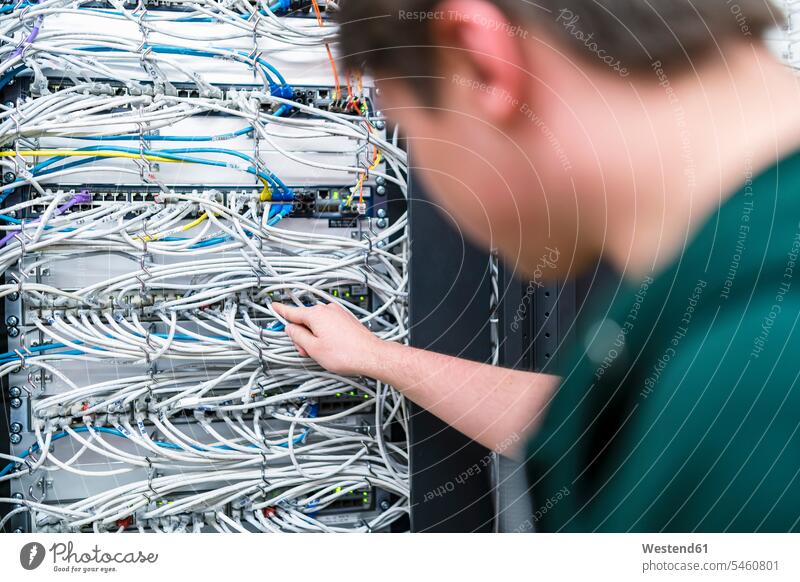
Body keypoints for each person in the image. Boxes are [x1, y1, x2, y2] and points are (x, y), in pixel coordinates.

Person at [272, 0, 800, 531]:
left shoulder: (750, 378)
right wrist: (374, 356)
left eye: (405, 129)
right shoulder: (721, 314)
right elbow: (583, 422)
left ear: (483, 62)